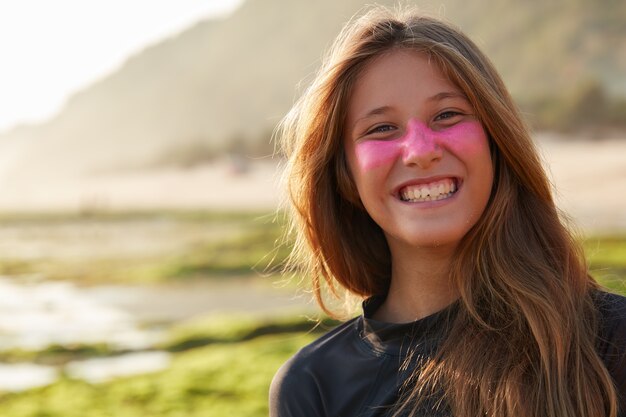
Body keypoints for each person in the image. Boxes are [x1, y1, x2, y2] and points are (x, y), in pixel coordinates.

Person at [269, 6, 626, 417]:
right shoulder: (313, 385)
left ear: (496, 142)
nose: (421, 151)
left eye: (447, 115)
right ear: (346, 174)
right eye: (381, 128)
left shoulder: (607, 341)